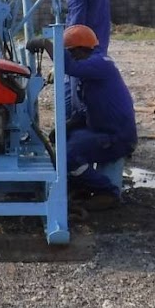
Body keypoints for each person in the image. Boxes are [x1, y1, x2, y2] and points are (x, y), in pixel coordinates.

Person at [27, 24, 136, 210]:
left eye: (70, 53)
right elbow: (86, 109)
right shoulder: (94, 68)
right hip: (102, 129)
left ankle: (108, 192)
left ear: (79, 50)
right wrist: (65, 127)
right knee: (64, 143)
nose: (71, 57)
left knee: (68, 156)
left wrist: (46, 43)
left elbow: (68, 66)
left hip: (117, 136)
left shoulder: (99, 63)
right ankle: (81, 185)